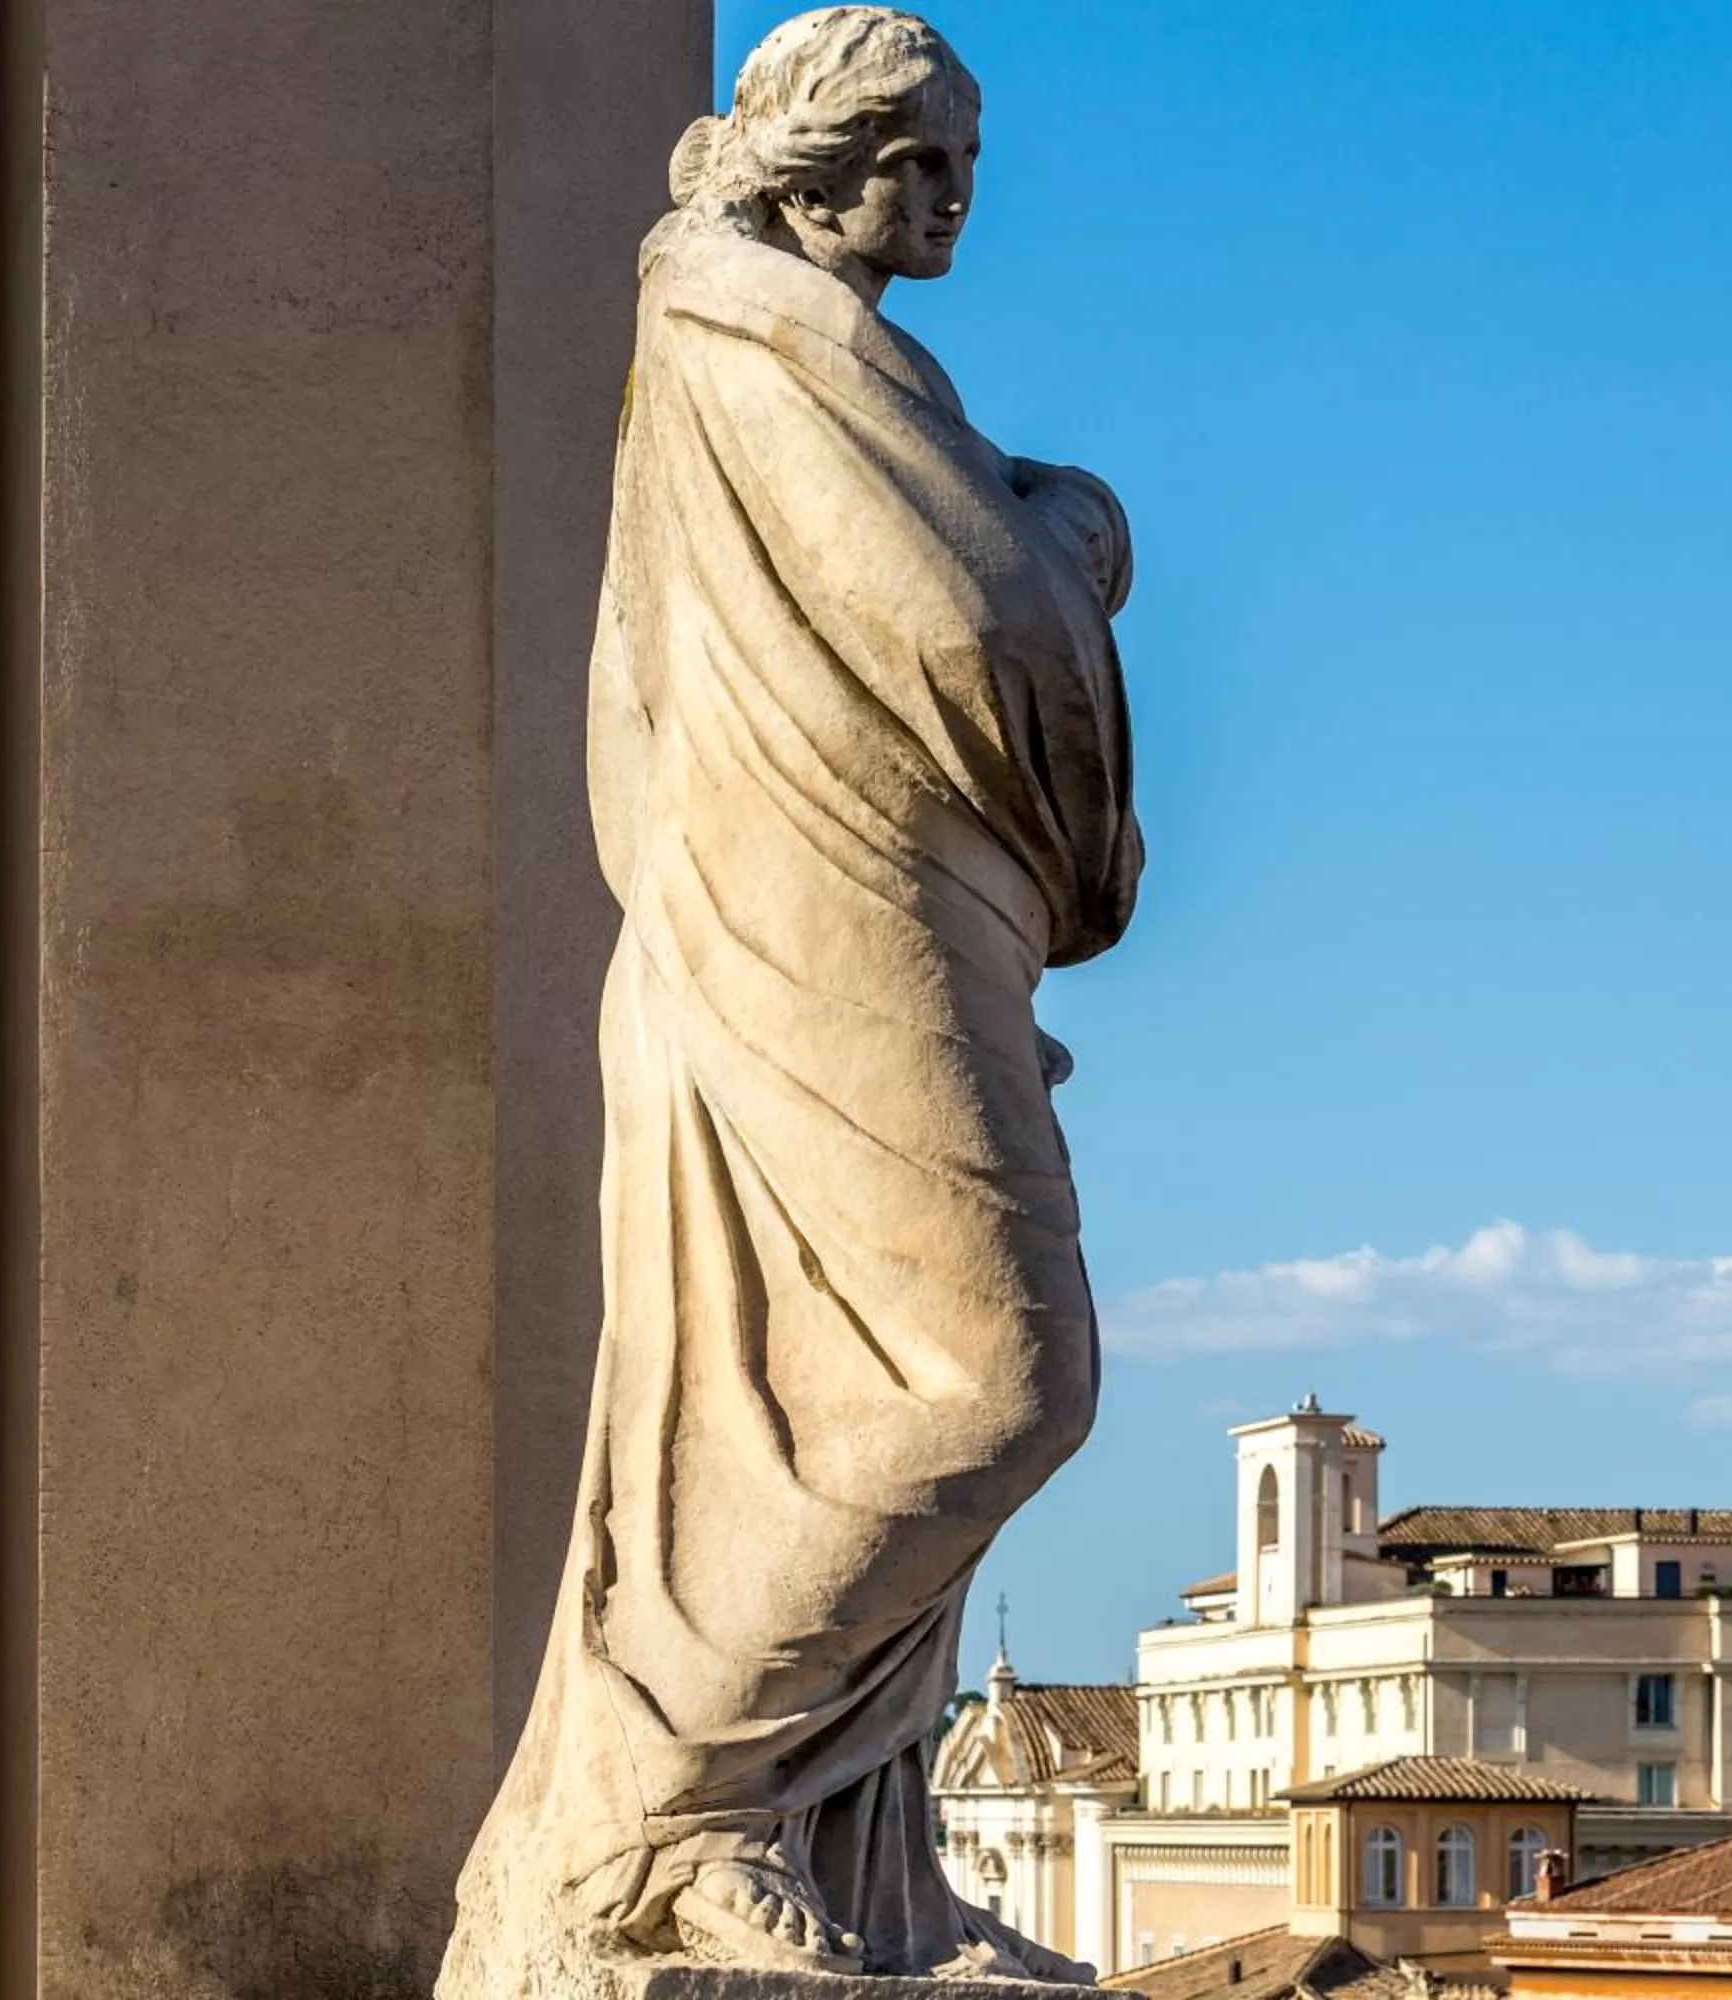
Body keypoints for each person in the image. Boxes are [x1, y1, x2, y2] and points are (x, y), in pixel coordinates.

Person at [439, 8, 1139, 1988]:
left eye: (967, 169)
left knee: (871, 1391)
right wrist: (1077, 540)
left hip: (872, 900)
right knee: (992, 1381)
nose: (954, 201)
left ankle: (808, 1836)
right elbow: (963, 616)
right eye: (927, 164)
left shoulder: (832, 355)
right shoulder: (752, 331)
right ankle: (660, 1818)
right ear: (827, 157)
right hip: (807, 919)